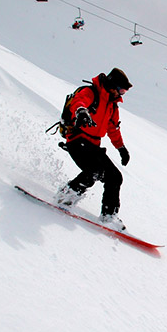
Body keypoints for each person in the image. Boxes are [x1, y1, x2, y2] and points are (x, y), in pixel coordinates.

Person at [55, 68, 132, 230]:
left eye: (124, 91)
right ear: (112, 84)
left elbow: (113, 129)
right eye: (121, 89)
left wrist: (121, 148)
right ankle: (65, 196)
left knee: (115, 177)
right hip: (77, 140)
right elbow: (78, 102)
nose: (122, 94)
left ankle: (108, 215)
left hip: (94, 146)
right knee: (94, 171)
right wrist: (81, 112)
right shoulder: (91, 92)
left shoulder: (112, 105)